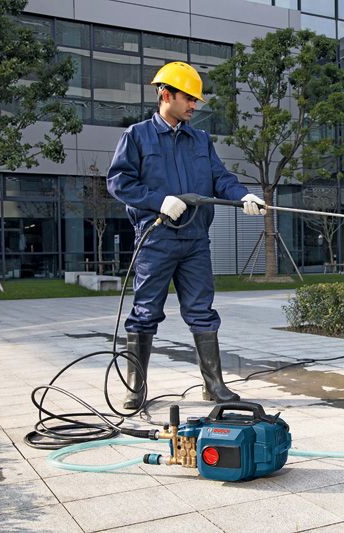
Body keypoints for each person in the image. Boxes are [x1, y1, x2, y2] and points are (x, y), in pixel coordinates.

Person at [107, 61, 265, 409]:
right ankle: (135, 388)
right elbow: (119, 182)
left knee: (202, 310)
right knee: (145, 312)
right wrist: (158, 201)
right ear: (166, 95)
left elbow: (220, 178)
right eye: (189, 98)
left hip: (195, 241)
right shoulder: (137, 136)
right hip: (155, 239)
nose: (195, 105)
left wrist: (244, 196)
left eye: (196, 99)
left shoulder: (200, 140)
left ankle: (214, 385)